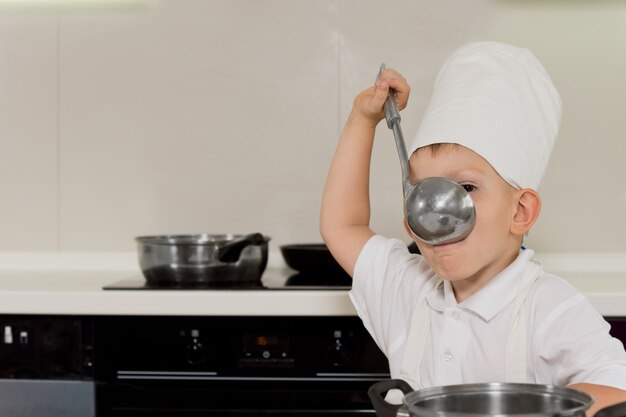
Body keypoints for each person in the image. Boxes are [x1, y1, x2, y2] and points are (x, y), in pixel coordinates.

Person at [320, 41, 626, 416]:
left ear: (521, 211)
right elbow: (342, 225)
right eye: (424, 193)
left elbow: (615, 386)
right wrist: (362, 119)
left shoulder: (550, 308)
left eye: (464, 188)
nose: (438, 213)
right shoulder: (407, 290)